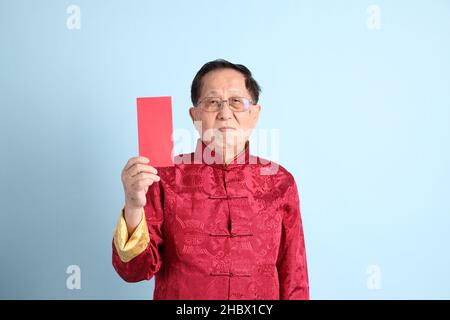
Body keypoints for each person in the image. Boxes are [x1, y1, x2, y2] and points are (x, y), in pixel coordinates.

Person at [112, 59, 309, 299]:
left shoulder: (279, 181)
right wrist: (133, 205)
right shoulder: (162, 177)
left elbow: (294, 279)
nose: (225, 113)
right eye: (212, 102)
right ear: (194, 115)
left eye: (236, 102)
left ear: (255, 114)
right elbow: (133, 271)